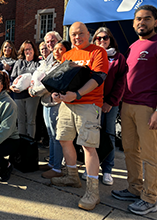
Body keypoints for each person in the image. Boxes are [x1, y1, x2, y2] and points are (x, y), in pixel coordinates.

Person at [111, 5, 157, 216]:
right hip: (128, 106)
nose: (142, 22)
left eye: (147, 19)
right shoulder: (132, 47)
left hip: (149, 108)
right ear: (133, 23)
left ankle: (149, 198)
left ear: (155, 21)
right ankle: (134, 188)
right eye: (138, 19)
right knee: (131, 151)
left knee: (150, 155)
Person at [50, 22, 108, 211]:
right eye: (73, 34)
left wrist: (78, 94)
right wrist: (57, 93)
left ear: (88, 33)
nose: (77, 37)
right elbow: (62, 79)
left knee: (88, 146)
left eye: (80, 33)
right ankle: (72, 177)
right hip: (67, 104)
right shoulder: (67, 55)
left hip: (88, 105)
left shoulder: (98, 52)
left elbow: (98, 78)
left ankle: (93, 192)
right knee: (64, 140)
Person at [81, 27, 127, 185]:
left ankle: (107, 170)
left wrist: (110, 102)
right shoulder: (91, 56)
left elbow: (121, 83)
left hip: (109, 104)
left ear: (110, 39)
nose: (101, 40)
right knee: (92, 136)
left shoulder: (118, 58)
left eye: (105, 37)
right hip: (92, 102)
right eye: (98, 38)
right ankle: (91, 168)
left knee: (109, 135)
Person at [30, 40, 72, 179]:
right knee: (51, 135)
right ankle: (52, 163)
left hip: (56, 104)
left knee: (57, 136)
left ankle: (57, 168)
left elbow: (49, 84)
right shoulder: (52, 63)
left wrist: (34, 91)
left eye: (61, 49)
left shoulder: (65, 65)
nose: (57, 52)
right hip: (46, 102)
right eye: (55, 49)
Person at [10, 40, 41, 138]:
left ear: (33, 50)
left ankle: (30, 141)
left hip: (31, 95)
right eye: (26, 49)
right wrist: (11, 87)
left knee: (31, 120)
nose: (28, 51)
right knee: (20, 120)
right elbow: (12, 78)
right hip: (18, 95)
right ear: (23, 51)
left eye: (30, 49)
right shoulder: (19, 62)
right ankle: (22, 141)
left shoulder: (38, 63)